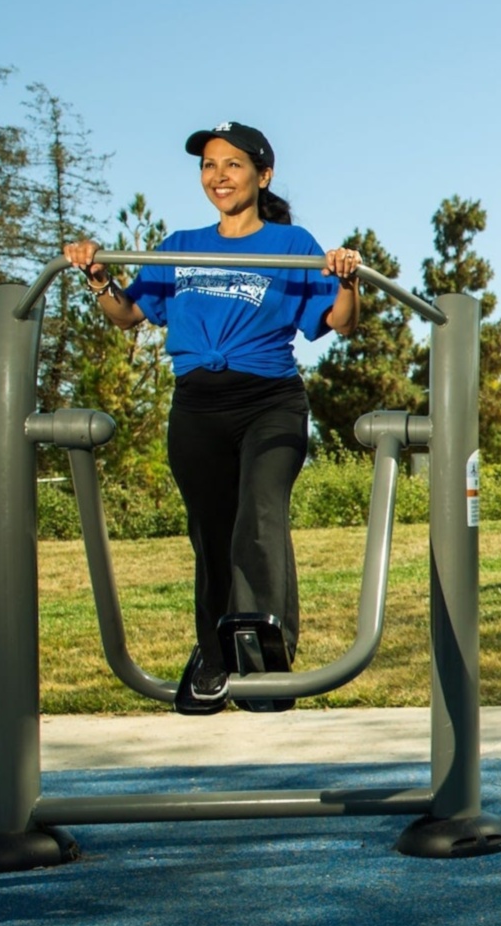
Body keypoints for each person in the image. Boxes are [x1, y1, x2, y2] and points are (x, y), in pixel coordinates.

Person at [64, 121, 361, 715]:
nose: (218, 177)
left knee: (259, 516)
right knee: (211, 530)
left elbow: (340, 323)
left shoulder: (291, 244)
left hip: (269, 400)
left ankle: (265, 648)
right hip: (197, 403)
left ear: (262, 175)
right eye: (208, 166)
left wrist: (348, 279)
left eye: (231, 165)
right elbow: (127, 316)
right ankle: (213, 651)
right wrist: (97, 277)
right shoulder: (179, 244)